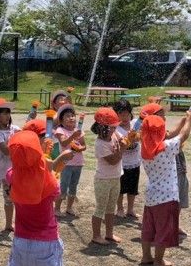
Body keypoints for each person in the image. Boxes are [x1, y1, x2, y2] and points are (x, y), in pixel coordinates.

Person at [0, 130, 68, 266]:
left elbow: (17, 170)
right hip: (46, 243)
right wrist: (53, 164)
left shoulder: (12, 175)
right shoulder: (48, 179)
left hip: (21, 241)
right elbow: (56, 195)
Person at [139, 110, 191, 266]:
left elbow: (176, 135)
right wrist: (190, 120)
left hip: (151, 196)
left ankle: (146, 256)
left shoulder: (144, 150)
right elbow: (183, 136)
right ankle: (158, 259)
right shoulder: (167, 147)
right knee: (163, 229)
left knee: (149, 228)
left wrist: (184, 119)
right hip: (167, 197)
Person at [90, 107, 126, 246]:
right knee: (101, 207)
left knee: (111, 207)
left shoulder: (113, 133)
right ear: (100, 127)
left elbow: (122, 138)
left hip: (116, 177)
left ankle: (109, 233)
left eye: (114, 128)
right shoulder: (100, 144)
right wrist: (122, 149)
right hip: (103, 179)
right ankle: (96, 235)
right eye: (110, 128)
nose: (113, 130)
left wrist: (128, 138)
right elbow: (113, 161)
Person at [0, 98, 20, 236]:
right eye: (4, 113)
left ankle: (8, 224)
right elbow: (6, 151)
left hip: (9, 172)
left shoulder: (13, 128)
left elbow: (27, 132)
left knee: (9, 199)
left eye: (8, 112)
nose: (7, 116)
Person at [53, 104, 86, 217]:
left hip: (78, 163)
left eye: (73, 115)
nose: (71, 118)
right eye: (68, 116)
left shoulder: (78, 130)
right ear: (61, 120)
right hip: (66, 164)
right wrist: (73, 136)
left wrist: (79, 148)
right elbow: (63, 143)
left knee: (73, 185)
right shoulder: (60, 130)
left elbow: (84, 146)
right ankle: (57, 208)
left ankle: (69, 207)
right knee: (63, 185)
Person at [112, 100, 142, 220]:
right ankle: (120, 209)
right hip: (122, 164)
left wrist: (139, 135)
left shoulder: (136, 123)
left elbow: (143, 131)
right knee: (120, 189)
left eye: (127, 114)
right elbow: (120, 143)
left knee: (133, 189)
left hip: (135, 163)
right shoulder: (115, 130)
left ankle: (130, 209)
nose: (125, 117)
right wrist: (129, 140)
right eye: (121, 114)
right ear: (116, 115)